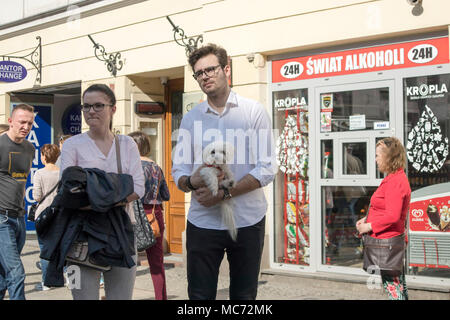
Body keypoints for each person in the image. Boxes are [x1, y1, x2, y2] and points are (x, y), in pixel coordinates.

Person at [172, 43, 277, 300]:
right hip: (203, 221)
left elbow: (267, 167)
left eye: (211, 69)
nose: (205, 76)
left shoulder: (253, 112)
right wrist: (190, 181)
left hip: (247, 220)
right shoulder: (191, 118)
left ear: (226, 69)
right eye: (199, 73)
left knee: (243, 296)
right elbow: (179, 172)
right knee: (199, 297)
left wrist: (225, 194)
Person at [59, 84, 145, 300]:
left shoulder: (127, 145)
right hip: (80, 236)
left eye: (98, 105)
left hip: (122, 232)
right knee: (83, 297)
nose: (91, 111)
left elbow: (138, 188)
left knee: (121, 297)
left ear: (113, 109)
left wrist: (94, 192)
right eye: (86, 106)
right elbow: (70, 194)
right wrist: (117, 190)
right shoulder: (73, 145)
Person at [356, 137, 411, 300]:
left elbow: (392, 215)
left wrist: (369, 226)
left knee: (393, 288)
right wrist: (366, 218)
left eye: (378, 155)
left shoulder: (395, 182)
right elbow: (384, 208)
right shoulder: (394, 178)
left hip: (387, 243)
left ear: (389, 157)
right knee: (397, 285)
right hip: (389, 243)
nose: (375, 159)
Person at [128, 131, 170, 300]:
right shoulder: (156, 167)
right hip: (154, 214)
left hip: (133, 212)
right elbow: (166, 195)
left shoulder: (131, 166)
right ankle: (161, 297)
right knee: (156, 261)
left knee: (127, 259)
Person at [0, 104, 35, 300]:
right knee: (16, 272)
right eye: (22, 122)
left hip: (19, 218)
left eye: (29, 123)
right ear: (11, 122)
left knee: (3, 274)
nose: (26, 126)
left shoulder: (29, 148)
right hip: (1, 218)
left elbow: (20, 181)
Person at [32, 144, 60, 291]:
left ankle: (46, 282)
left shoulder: (39, 174)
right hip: (60, 214)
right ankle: (64, 278)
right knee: (61, 246)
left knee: (44, 248)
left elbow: (37, 196)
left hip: (43, 214)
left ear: (44, 156)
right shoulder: (62, 173)